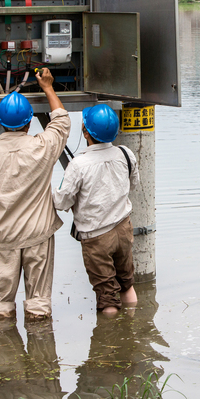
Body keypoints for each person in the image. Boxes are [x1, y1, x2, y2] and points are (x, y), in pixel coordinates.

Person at [0, 69, 71, 321]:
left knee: (0, 304)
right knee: (38, 302)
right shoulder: (42, 146)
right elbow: (61, 122)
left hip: (2, 237)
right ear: (29, 122)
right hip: (38, 236)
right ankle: (42, 355)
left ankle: (6, 353)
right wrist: (48, 87)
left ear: (1, 122)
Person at [53, 104, 140, 315]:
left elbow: (62, 202)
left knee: (107, 295)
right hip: (123, 228)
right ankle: (132, 327)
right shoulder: (125, 153)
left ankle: (110, 338)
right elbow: (134, 183)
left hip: (97, 237)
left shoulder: (79, 164)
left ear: (86, 132)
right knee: (127, 284)